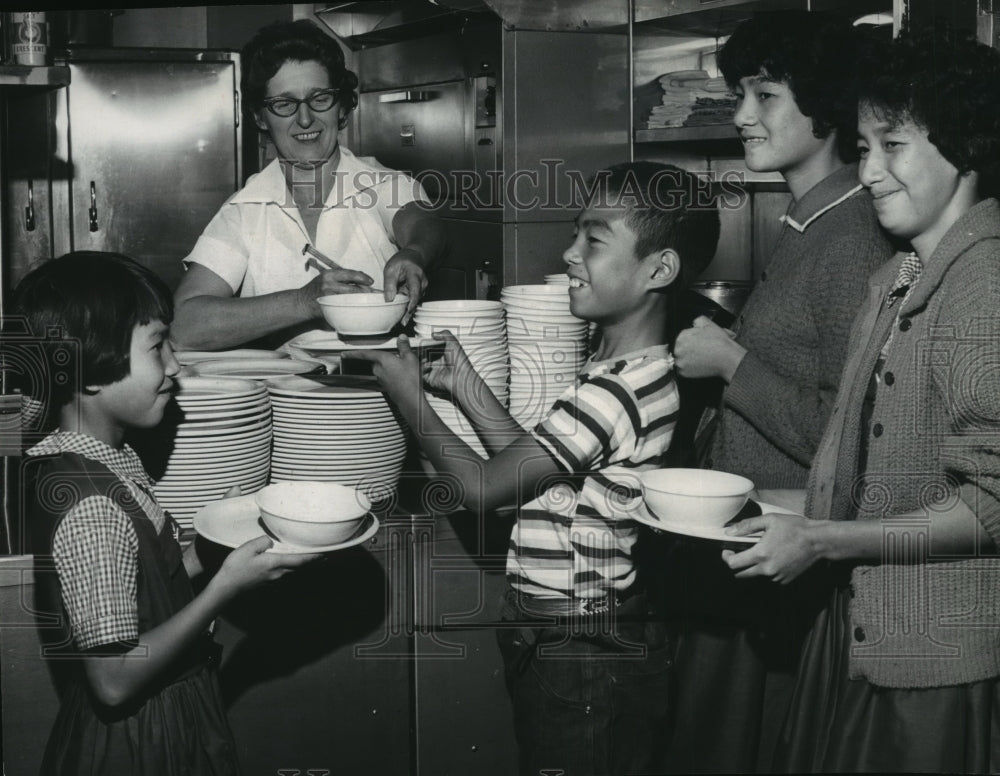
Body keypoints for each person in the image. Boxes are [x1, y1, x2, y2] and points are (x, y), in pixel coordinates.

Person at [348, 161, 720, 775]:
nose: (570, 253)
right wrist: (465, 387)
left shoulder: (614, 393)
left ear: (660, 269)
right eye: (575, 233)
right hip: (571, 638)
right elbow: (546, 477)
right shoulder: (623, 372)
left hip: (583, 652)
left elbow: (483, 491)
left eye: (594, 240)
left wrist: (406, 396)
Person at [721, 25, 1000, 773]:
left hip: (936, 660)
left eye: (893, 146)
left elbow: (989, 507)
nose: (869, 171)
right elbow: (870, 483)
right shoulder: (897, 279)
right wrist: (751, 509)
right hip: (861, 636)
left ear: (963, 146)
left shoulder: (983, 283)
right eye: (866, 146)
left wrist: (819, 542)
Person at [664, 10, 895, 773]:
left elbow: (851, 436)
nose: (740, 116)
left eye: (765, 96)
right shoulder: (809, 224)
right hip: (750, 559)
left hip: (788, 570)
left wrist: (732, 366)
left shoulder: (853, 236)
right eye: (740, 95)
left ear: (823, 106)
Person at [11, 251, 319, 775]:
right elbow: (112, 680)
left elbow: (149, 574)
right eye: (158, 346)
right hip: (140, 741)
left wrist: (220, 550)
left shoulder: (107, 458)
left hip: (165, 718)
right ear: (89, 371)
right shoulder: (90, 507)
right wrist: (226, 589)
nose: (176, 365)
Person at [171, 19, 446, 351]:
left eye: (320, 99)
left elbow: (423, 222)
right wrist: (303, 302)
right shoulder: (246, 208)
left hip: (380, 397)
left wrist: (414, 253)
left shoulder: (379, 183)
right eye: (284, 104)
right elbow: (184, 326)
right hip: (280, 399)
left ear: (341, 106)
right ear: (261, 117)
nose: (305, 119)